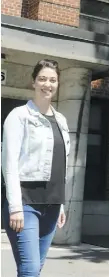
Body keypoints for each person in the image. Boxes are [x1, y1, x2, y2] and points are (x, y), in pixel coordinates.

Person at [2, 59, 70, 277]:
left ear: (58, 83)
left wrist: (60, 205)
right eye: (42, 79)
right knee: (30, 270)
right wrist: (15, 208)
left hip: (52, 205)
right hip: (26, 204)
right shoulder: (19, 116)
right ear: (33, 82)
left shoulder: (61, 120)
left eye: (52, 80)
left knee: (34, 270)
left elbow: (60, 165)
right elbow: (9, 164)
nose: (47, 84)